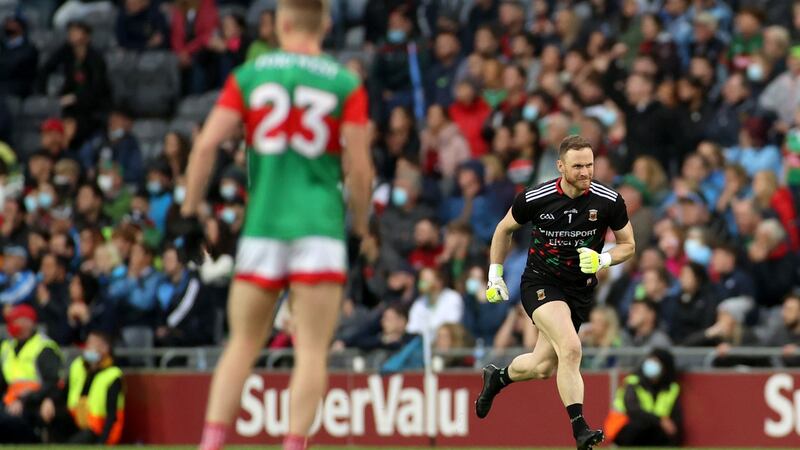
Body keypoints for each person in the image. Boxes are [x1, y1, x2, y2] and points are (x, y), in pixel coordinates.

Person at [181, 1, 372, 449]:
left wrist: (190, 211)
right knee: (311, 352)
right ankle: (292, 446)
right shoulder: (345, 82)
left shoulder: (250, 75)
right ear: (324, 24)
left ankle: (210, 444)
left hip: (263, 226)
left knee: (242, 345)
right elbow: (360, 170)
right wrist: (359, 228)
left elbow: (206, 145)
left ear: (281, 23)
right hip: (320, 228)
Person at [475, 135, 636, 450]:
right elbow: (503, 229)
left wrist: (604, 258)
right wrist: (495, 275)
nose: (585, 172)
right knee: (572, 349)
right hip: (541, 282)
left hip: (578, 290)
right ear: (560, 166)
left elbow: (629, 245)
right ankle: (580, 429)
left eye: (589, 164)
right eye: (577, 166)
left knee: (543, 366)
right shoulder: (536, 197)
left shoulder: (609, 200)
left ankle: (498, 378)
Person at [42, 330, 124, 444]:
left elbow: (112, 416)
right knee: (53, 415)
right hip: (76, 422)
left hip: (96, 430)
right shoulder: (78, 366)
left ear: (105, 348)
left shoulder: (112, 376)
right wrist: (50, 400)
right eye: (88, 343)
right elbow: (63, 390)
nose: (89, 348)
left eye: (94, 344)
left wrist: (102, 443)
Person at [0, 305, 63, 443]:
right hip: (9, 401)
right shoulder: (7, 347)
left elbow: (52, 381)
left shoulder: (44, 347)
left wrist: (24, 400)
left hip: (33, 403)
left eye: (17, 320)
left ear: (29, 323)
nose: (14, 324)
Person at [604, 348, 683, 446]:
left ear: (665, 367)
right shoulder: (633, 382)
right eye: (650, 360)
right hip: (622, 427)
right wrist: (659, 420)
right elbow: (633, 410)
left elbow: (675, 418)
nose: (651, 364)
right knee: (640, 425)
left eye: (656, 361)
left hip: (653, 429)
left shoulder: (672, 388)